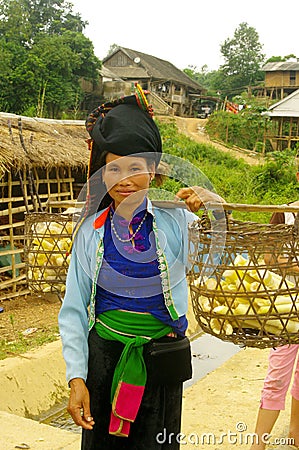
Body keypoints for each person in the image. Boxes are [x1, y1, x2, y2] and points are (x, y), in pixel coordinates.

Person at [58, 84, 224, 450]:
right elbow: (72, 310)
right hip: (105, 361)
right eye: (114, 167)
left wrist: (214, 205)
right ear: (103, 173)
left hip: (160, 365)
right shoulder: (91, 232)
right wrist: (76, 378)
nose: (125, 179)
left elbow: (217, 263)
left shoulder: (176, 223)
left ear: (153, 169)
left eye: (136, 167)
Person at [249, 176, 299, 450]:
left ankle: (295, 433)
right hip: (285, 309)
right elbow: (268, 255)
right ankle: (258, 445)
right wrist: (293, 267)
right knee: (277, 374)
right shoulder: (286, 212)